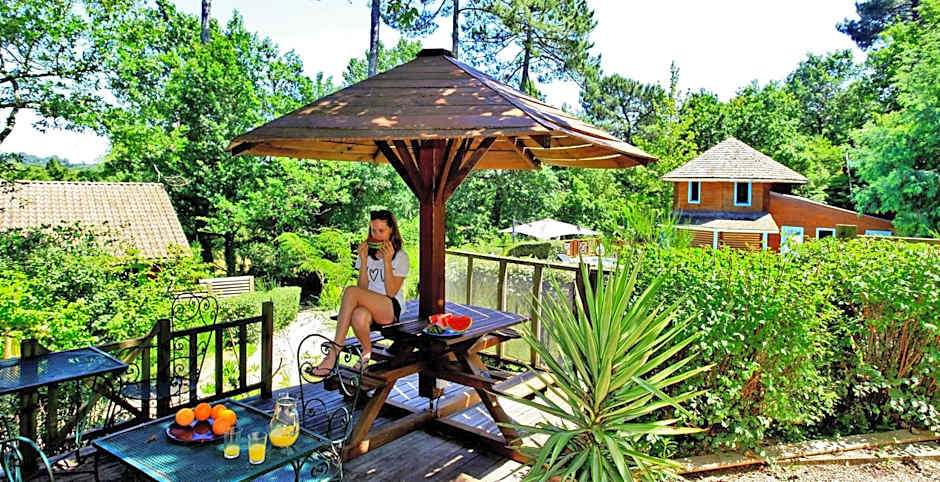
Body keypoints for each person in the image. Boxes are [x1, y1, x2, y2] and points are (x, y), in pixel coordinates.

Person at [312, 210, 409, 375]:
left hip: (389, 307)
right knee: (358, 315)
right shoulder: (367, 253)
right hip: (369, 303)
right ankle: (366, 352)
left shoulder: (400, 256)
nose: (376, 235)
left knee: (350, 291)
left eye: (381, 231)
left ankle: (334, 352)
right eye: (373, 230)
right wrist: (364, 260)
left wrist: (386, 261)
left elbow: (391, 292)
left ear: (392, 230)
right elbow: (363, 289)